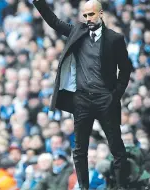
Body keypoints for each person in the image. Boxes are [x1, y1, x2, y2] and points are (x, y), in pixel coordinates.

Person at [32, 0, 133, 189]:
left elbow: (126, 69)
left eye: (91, 14)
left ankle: (122, 186)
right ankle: (84, 187)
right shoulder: (77, 31)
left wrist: (115, 95)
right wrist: (38, 2)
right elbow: (54, 21)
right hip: (82, 99)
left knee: (117, 147)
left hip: (106, 99)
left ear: (101, 13)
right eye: (85, 15)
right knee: (79, 150)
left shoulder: (114, 39)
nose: (88, 19)